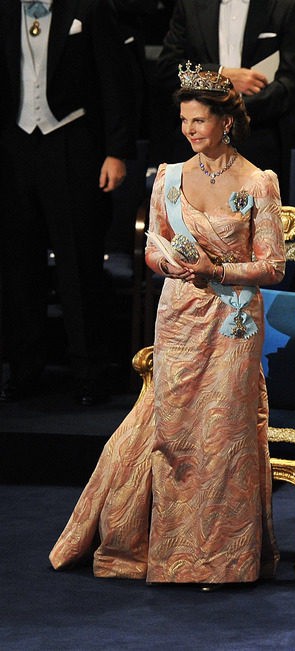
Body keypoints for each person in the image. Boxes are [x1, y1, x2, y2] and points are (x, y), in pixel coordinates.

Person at [49, 66, 285, 587]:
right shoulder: (169, 176)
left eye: (198, 120)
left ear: (226, 122)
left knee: (221, 435)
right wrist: (170, 264)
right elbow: (154, 245)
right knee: (176, 432)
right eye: (183, 121)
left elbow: (273, 266)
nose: (189, 130)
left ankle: (220, 560)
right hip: (178, 313)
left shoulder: (259, 183)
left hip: (233, 320)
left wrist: (217, 270)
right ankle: (165, 551)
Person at [0, 0, 138, 405]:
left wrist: (117, 151)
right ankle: (24, 371)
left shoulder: (89, 8)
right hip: (14, 148)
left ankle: (90, 373)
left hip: (74, 143)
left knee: (80, 265)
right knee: (19, 266)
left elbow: (116, 79)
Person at [157, 0, 295, 181]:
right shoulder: (190, 5)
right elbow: (168, 68)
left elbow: (292, 81)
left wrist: (235, 110)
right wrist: (221, 74)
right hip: (196, 143)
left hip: (259, 135)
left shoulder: (285, 5)